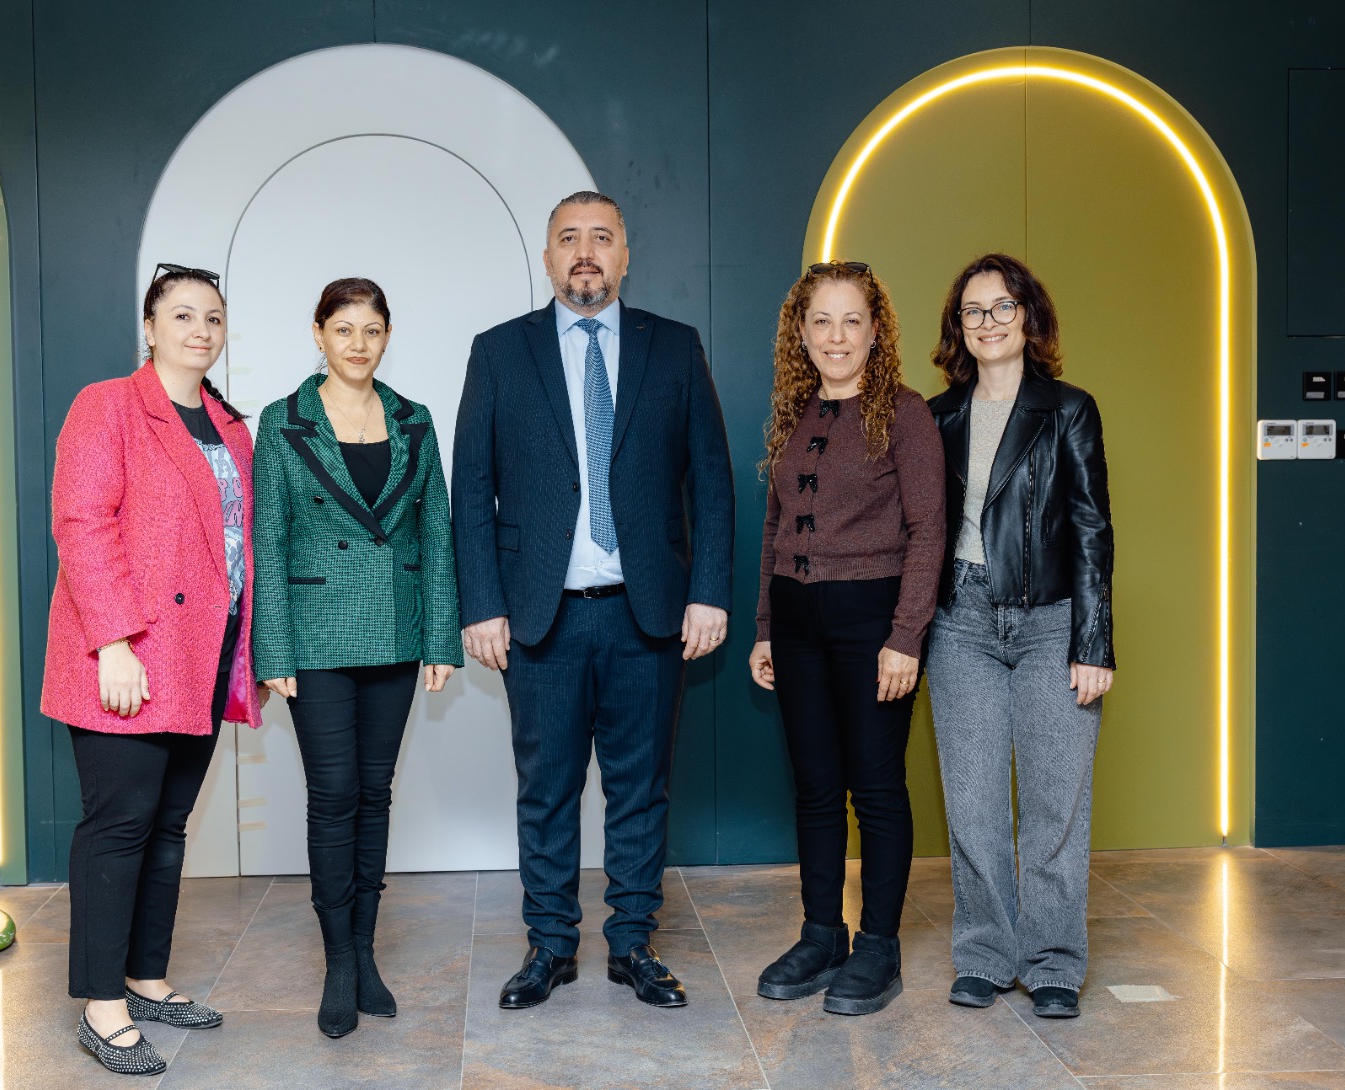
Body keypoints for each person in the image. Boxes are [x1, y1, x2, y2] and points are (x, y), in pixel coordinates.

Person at [453, 191, 735, 1010]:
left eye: (601, 237)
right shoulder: (499, 352)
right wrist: (481, 604)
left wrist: (708, 593)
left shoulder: (674, 348)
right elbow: (471, 489)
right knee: (546, 790)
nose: (585, 251)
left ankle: (633, 944)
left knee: (641, 789)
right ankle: (549, 946)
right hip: (539, 615)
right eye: (569, 238)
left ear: (625, 255)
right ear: (547, 258)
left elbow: (711, 482)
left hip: (649, 612)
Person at [42, 264, 262, 1077]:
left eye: (213, 317)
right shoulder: (107, 405)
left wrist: (251, 654)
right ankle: (102, 1008)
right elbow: (82, 523)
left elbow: (238, 547)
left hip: (205, 654)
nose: (200, 330)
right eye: (182, 315)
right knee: (120, 826)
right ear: (150, 326)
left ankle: (145, 978)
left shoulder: (231, 426)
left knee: (167, 825)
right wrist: (115, 642)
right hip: (129, 655)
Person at [252, 277, 461, 1039]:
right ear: (318, 334)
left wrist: (441, 637)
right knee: (334, 794)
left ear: (387, 336)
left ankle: (366, 953)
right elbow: (269, 539)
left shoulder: (414, 418)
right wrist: (272, 647)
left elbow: (436, 533)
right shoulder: (283, 421)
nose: (358, 344)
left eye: (371, 330)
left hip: (397, 630)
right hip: (314, 636)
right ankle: (338, 961)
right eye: (343, 329)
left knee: (375, 793)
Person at [747, 261, 945, 1016]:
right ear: (800, 333)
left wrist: (906, 636)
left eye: (851, 320)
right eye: (821, 321)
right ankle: (822, 934)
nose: (836, 336)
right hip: (796, 623)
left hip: (872, 621)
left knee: (878, 788)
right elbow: (774, 528)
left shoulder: (905, 413)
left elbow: (928, 530)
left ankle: (878, 947)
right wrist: (766, 628)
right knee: (817, 787)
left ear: (875, 331)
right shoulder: (794, 414)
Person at [925, 252, 1114, 1020]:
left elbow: (1093, 529)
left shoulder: (1069, 410)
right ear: (958, 327)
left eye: (1003, 306)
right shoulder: (936, 417)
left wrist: (1093, 643)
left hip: (1051, 622)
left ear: (1029, 317)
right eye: (973, 310)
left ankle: (1054, 962)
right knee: (972, 806)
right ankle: (985, 953)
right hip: (960, 623)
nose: (989, 322)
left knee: (1054, 806)